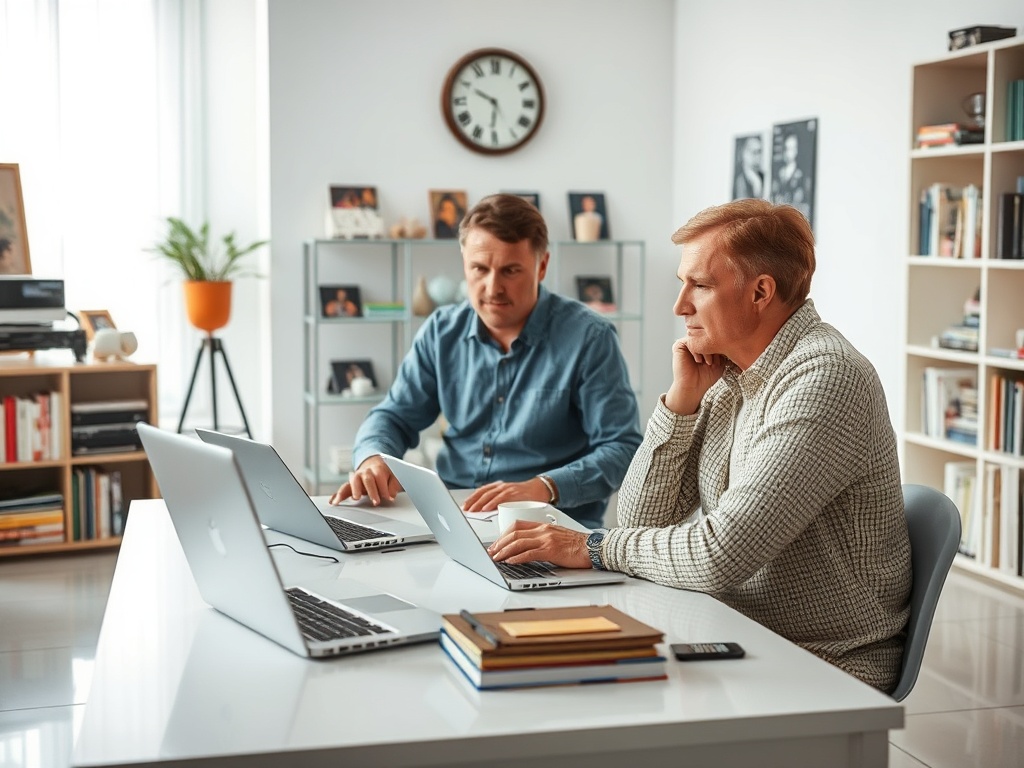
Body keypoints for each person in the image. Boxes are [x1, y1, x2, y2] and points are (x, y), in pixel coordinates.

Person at [488, 199, 912, 693]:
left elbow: (718, 554)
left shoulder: (827, 377)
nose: (680, 305)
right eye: (681, 283)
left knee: (577, 693)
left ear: (760, 292)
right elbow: (639, 520)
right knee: (540, 668)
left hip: (820, 663)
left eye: (701, 286)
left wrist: (591, 546)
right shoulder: (729, 371)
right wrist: (681, 403)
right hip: (732, 628)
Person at [329, 193, 643, 528]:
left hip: (552, 527)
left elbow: (621, 448)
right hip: (453, 521)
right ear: (464, 261)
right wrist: (374, 458)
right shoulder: (440, 331)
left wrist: (543, 488)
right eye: (479, 269)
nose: (493, 288)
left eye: (510, 271)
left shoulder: (589, 338)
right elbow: (394, 416)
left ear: (542, 266)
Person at [732, 135, 764, 200]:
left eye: (759, 152)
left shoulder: (763, 177)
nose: (758, 156)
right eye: (755, 152)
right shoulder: (739, 180)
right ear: (745, 154)